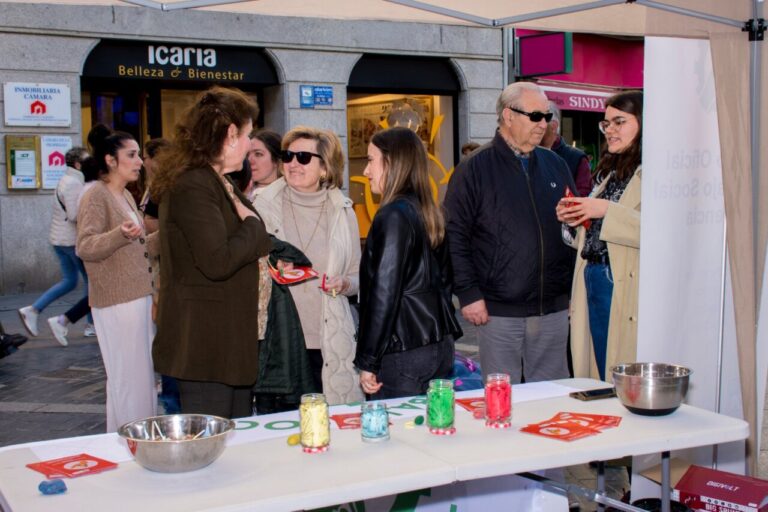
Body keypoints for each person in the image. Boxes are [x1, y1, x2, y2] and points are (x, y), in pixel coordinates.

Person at [151, 86, 272, 419]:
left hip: (226, 343)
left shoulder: (218, 181)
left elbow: (257, 241)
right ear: (231, 134)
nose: (250, 144)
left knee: (234, 445)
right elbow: (218, 260)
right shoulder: (193, 183)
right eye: (248, 134)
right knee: (210, 447)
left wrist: (255, 232)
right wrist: (253, 229)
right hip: (206, 346)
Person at [444, 82, 576, 384]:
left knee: (552, 395)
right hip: (498, 310)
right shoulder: (474, 169)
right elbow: (455, 235)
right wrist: (469, 294)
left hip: (553, 307)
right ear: (508, 115)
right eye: (535, 116)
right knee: (503, 396)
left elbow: (572, 229)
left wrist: (571, 290)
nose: (543, 123)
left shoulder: (555, 165)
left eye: (547, 116)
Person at [254, 126, 363, 406]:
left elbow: (357, 275)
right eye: (287, 156)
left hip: (327, 340)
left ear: (325, 167)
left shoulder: (343, 212)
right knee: (282, 427)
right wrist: (271, 269)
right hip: (279, 338)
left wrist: (344, 284)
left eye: (303, 157)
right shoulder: (262, 206)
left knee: (326, 426)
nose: (292, 163)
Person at [354, 127, 462, 399]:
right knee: (432, 428)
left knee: (396, 436)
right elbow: (446, 283)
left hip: (402, 351)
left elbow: (384, 294)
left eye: (370, 160)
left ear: (391, 163)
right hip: (436, 346)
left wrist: (368, 360)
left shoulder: (392, 215)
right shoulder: (428, 210)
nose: (366, 171)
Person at [556, 91, 643, 381]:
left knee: (618, 370)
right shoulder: (610, 170)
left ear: (644, 123)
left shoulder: (655, 171)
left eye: (620, 121)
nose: (611, 131)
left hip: (620, 279)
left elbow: (662, 231)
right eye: (606, 124)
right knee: (598, 366)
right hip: (593, 276)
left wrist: (604, 209)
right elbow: (591, 233)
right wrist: (573, 219)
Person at [76, 127, 156, 432]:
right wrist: (118, 234)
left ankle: (136, 437)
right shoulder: (96, 195)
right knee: (127, 378)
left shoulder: (123, 194)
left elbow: (138, 245)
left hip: (137, 297)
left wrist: (168, 236)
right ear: (110, 160)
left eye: (139, 155)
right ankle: (128, 439)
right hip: (116, 301)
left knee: (141, 377)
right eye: (131, 155)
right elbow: (85, 246)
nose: (139, 162)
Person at [18, 147, 96, 344]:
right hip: (70, 241)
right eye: (86, 161)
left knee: (70, 281)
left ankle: (33, 310)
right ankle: (90, 325)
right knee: (91, 283)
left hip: (59, 240)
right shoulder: (74, 183)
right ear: (78, 164)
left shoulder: (66, 180)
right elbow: (73, 215)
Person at [541, 101, 593, 197]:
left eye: (540, 121)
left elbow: (582, 196)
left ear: (553, 126)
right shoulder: (526, 152)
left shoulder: (576, 158)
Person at [247, 129, 282, 200]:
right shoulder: (238, 190)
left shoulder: (287, 197)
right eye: (247, 155)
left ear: (276, 160)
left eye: (258, 154)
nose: (249, 160)